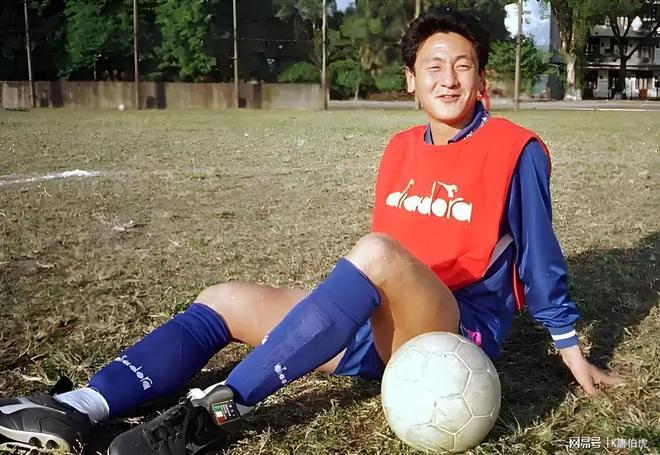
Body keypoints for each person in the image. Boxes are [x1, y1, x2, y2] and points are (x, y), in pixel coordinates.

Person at [0, 6, 622, 455]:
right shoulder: (401, 147)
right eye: (433, 66)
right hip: (382, 330)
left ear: (481, 78)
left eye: (464, 66)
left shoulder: (516, 149)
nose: (449, 79)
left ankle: (216, 410)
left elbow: (539, 259)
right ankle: (84, 405)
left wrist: (573, 352)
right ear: (410, 79)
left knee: (377, 252)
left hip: (457, 332)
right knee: (224, 298)